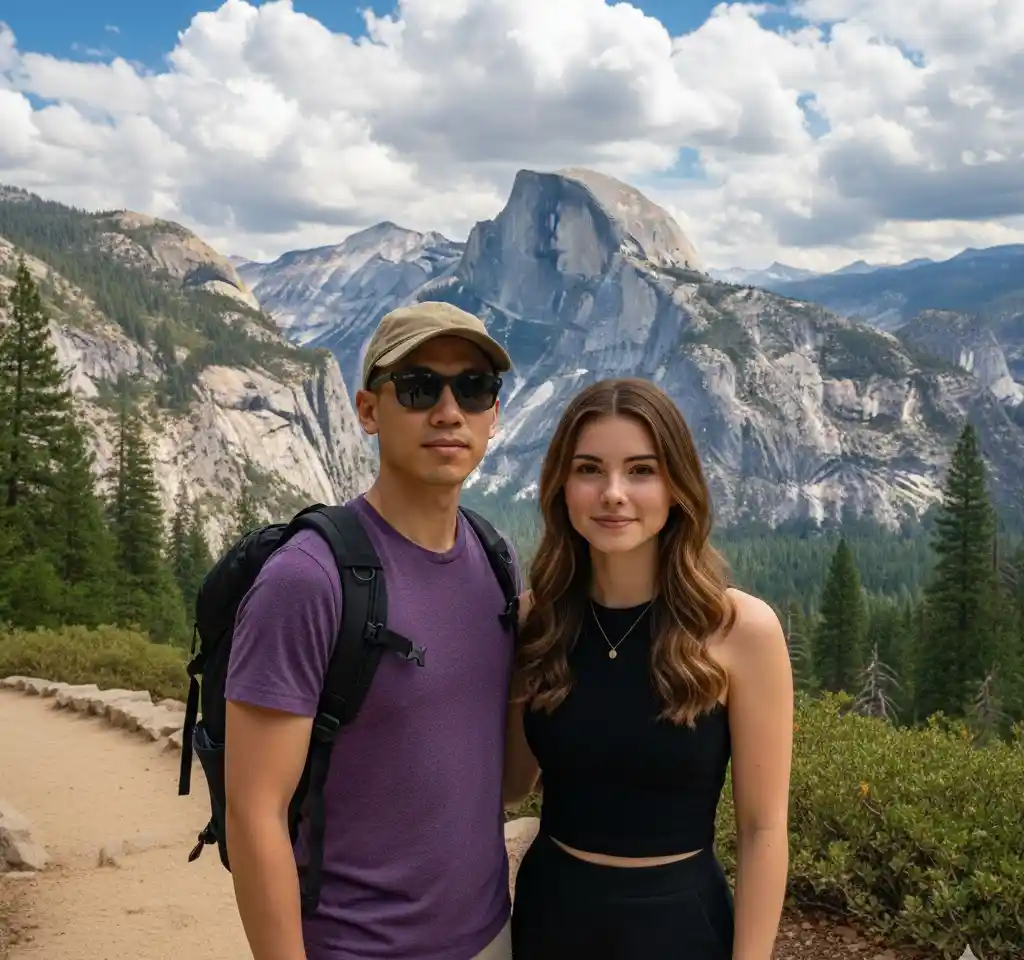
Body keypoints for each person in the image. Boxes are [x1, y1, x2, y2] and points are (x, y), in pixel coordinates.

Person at [222, 301, 523, 960]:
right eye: (418, 388)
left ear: (493, 414)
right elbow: (253, 814)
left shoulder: (496, 561)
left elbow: (501, 780)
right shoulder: (307, 581)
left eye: (472, 388)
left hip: (491, 936)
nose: (449, 411)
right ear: (367, 411)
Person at [502, 377, 794, 960]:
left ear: (678, 486)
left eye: (641, 470)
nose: (613, 493)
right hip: (549, 916)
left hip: (681, 926)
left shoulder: (742, 630)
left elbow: (763, 831)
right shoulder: (538, 619)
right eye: (589, 469)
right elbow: (510, 785)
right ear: (562, 486)